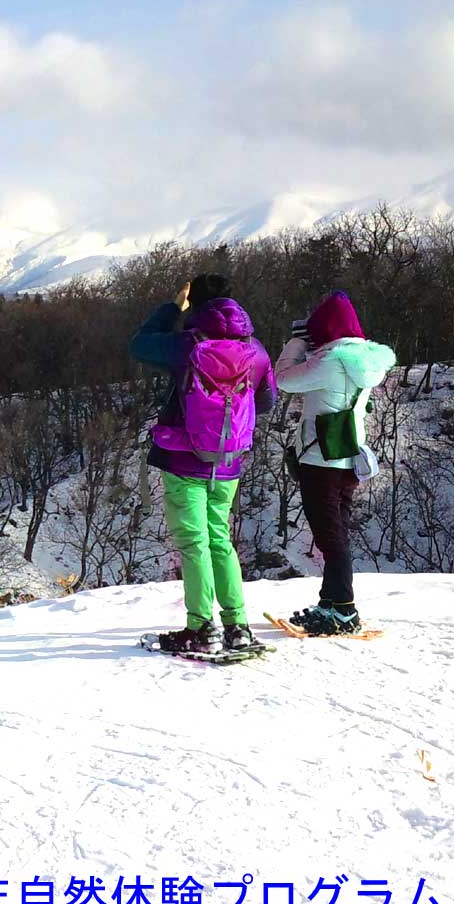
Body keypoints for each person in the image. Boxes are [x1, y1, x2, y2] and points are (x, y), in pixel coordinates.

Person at [131, 275, 277, 653]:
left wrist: (171, 308)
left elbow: (140, 344)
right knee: (220, 539)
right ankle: (237, 625)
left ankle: (201, 627)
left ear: (194, 305)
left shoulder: (186, 346)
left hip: (183, 459)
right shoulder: (256, 351)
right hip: (227, 463)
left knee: (193, 543)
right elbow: (266, 403)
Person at [275, 291, 396, 635]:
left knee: (331, 539)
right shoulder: (364, 361)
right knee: (336, 532)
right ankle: (330, 602)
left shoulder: (330, 362)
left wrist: (297, 343)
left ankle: (343, 610)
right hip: (347, 457)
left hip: (320, 461)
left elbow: (283, 378)